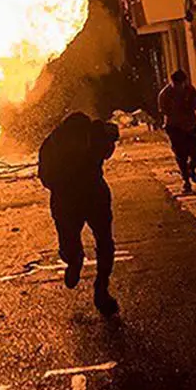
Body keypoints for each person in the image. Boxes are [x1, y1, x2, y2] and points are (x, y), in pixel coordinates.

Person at [37, 112, 120, 316]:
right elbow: (109, 148)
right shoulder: (94, 135)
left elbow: (45, 177)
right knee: (105, 243)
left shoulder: (52, 142)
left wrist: (61, 185)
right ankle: (101, 289)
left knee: (69, 241)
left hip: (65, 200)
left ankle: (74, 261)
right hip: (94, 195)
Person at [158, 70, 196, 194]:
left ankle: (190, 169)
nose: (179, 86)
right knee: (181, 155)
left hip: (189, 126)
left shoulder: (190, 90)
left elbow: (195, 105)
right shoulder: (165, 93)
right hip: (174, 127)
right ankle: (186, 182)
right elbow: (163, 110)